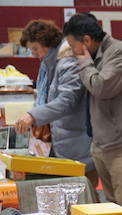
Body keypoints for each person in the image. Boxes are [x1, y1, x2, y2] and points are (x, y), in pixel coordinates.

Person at [65, 13, 122, 215]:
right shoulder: (96, 54)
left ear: (87, 40)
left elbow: (101, 87)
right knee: (113, 206)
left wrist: (83, 62)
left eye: (74, 47)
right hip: (102, 140)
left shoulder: (119, 52)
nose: (73, 52)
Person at [14, 20, 96, 193]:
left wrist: (33, 115)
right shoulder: (52, 63)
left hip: (77, 140)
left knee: (83, 193)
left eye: (35, 48)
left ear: (47, 43)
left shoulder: (68, 63)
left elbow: (67, 100)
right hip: (67, 139)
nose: (33, 53)